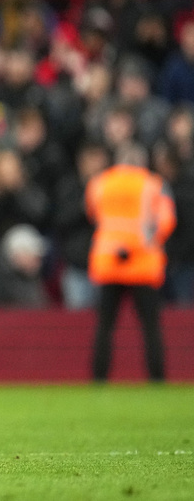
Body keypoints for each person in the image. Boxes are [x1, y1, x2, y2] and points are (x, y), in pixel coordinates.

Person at [85, 143, 176, 383]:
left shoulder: (100, 182)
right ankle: (157, 378)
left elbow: (93, 213)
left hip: (108, 261)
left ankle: (99, 378)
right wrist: (141, 243)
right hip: (143, 263)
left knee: (105, 326)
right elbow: (166, 222)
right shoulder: (154, 184)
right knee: (150, 327)